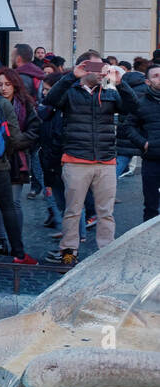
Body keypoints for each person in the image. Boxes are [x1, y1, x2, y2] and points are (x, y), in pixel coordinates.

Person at [42, 53, 139, 266]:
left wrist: (120, 83)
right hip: (76, 160)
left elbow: (132, 107)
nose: (100, 71)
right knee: (73, 211)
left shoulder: (109, 90)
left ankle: (106, 256)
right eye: (94, 67)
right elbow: (49, 100)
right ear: (84, 68)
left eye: (102, 67)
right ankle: (68, 254)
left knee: (106, 213)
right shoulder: (70, 90)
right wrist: (71, 76)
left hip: (105, 161)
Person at [0, 67, 42, 262]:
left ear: (15, 85)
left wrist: (20, 141)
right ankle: (1, 238)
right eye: (0, 85)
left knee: (13, 201)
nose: (3, 88)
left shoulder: (25, 104)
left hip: (17, 157)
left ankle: (16, 240)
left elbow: (35, 128)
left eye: (7, 84)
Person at [125, 63, 160, 221]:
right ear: (148, 81)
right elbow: (129, 127)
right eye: (156, 76)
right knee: (151, 205)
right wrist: (144, 144)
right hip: (152, 159)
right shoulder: (140, 102)